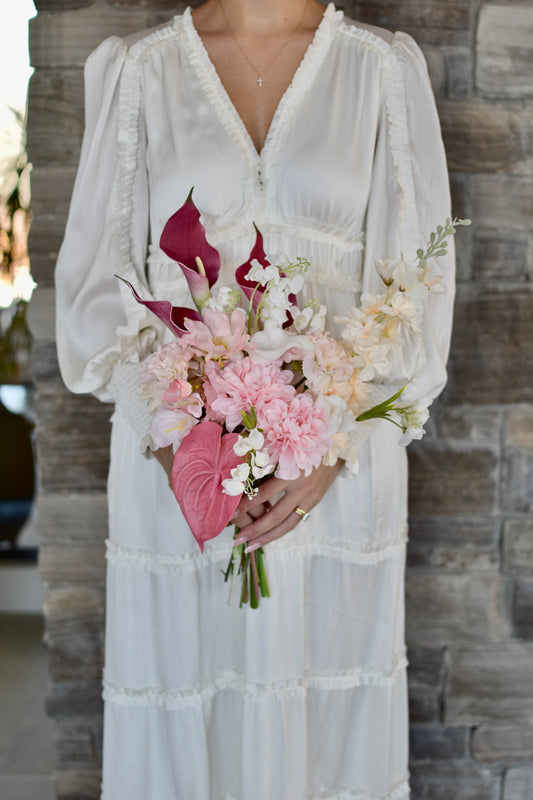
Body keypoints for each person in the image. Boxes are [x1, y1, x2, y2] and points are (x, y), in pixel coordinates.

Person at [55, 1, 455, 797]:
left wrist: (326, 447)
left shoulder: (380, 68)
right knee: (188, 706)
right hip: (175, 469)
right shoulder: (140, 69)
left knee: (323, 724)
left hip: (332, 477)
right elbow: (97, 291)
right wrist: (182, 448)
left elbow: (415, 287)